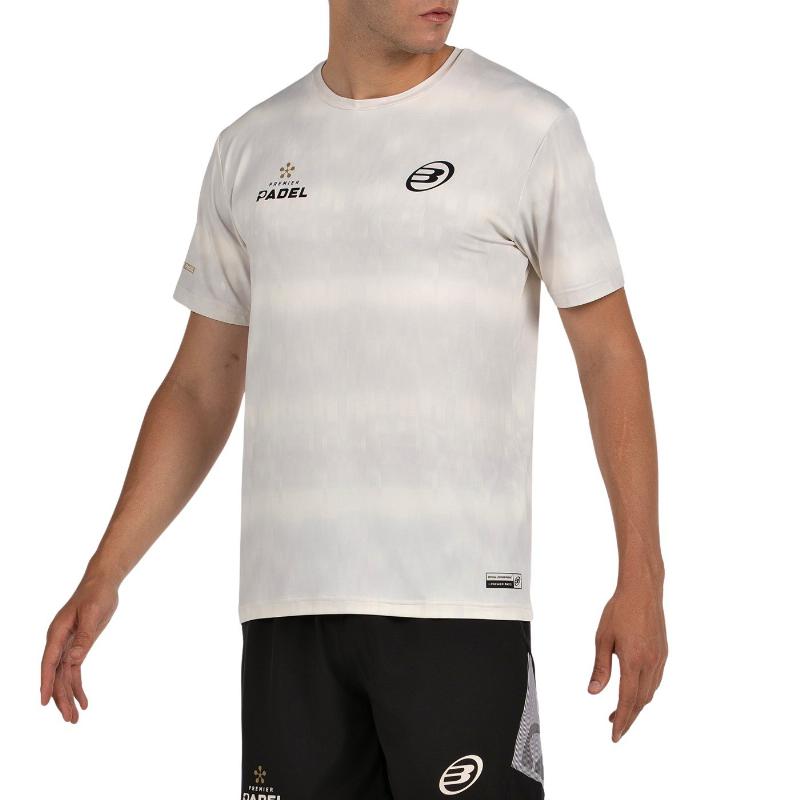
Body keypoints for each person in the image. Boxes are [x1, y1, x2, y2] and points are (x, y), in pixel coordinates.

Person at [40, 2, 667, 797]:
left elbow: (609, 354)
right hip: (287, 619)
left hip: (458, 611)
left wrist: (642, 574)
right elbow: (199, 386)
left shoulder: (528, 127)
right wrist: (106, 569)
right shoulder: (250, 147)